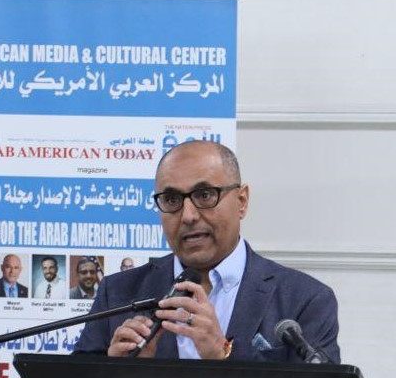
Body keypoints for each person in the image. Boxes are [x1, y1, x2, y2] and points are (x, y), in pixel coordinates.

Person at [74, 141, 340, 363]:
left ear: (242, 201)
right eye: (172, 200)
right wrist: (117, 371)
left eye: (204, 195)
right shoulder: (118, 293)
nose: (188, 216)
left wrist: (223, 354)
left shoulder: (305, 299)